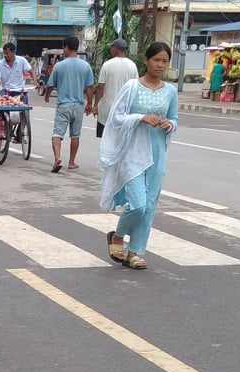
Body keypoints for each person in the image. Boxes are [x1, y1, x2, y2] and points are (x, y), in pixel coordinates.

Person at [97, 42, 179, 270]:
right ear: (147, 60)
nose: (160, 64)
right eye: (157, 60)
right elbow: (116, 118)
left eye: (165, 61)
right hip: (132, 154)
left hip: (157, 153)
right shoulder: (132, 87)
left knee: (150, 205)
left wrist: (168, 124)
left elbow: (175, 119)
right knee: (138, 205)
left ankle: (135, 252)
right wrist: (140, 118)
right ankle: (117, 236)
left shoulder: (171, 91)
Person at [43, 36, 93, 173]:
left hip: (64, 105)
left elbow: (50, 85)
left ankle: (57, 158)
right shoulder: (86, 66)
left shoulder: (59, 66)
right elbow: (90, 87)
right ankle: (71, 162)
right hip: (78, 105)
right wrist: (90, 104)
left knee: (57, 134)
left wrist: (47, 96)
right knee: (75, 135)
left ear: (66, 47)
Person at [92, 39, 137, 139]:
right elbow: (135, 88)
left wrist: (95, 106)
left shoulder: (107, 65)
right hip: (124, 110)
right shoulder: (133, 66)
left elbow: (100, 88)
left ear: (116, 49)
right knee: (121, 140)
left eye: (112, 47)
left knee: (105, 139)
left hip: (107, 110)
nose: (110, 50)